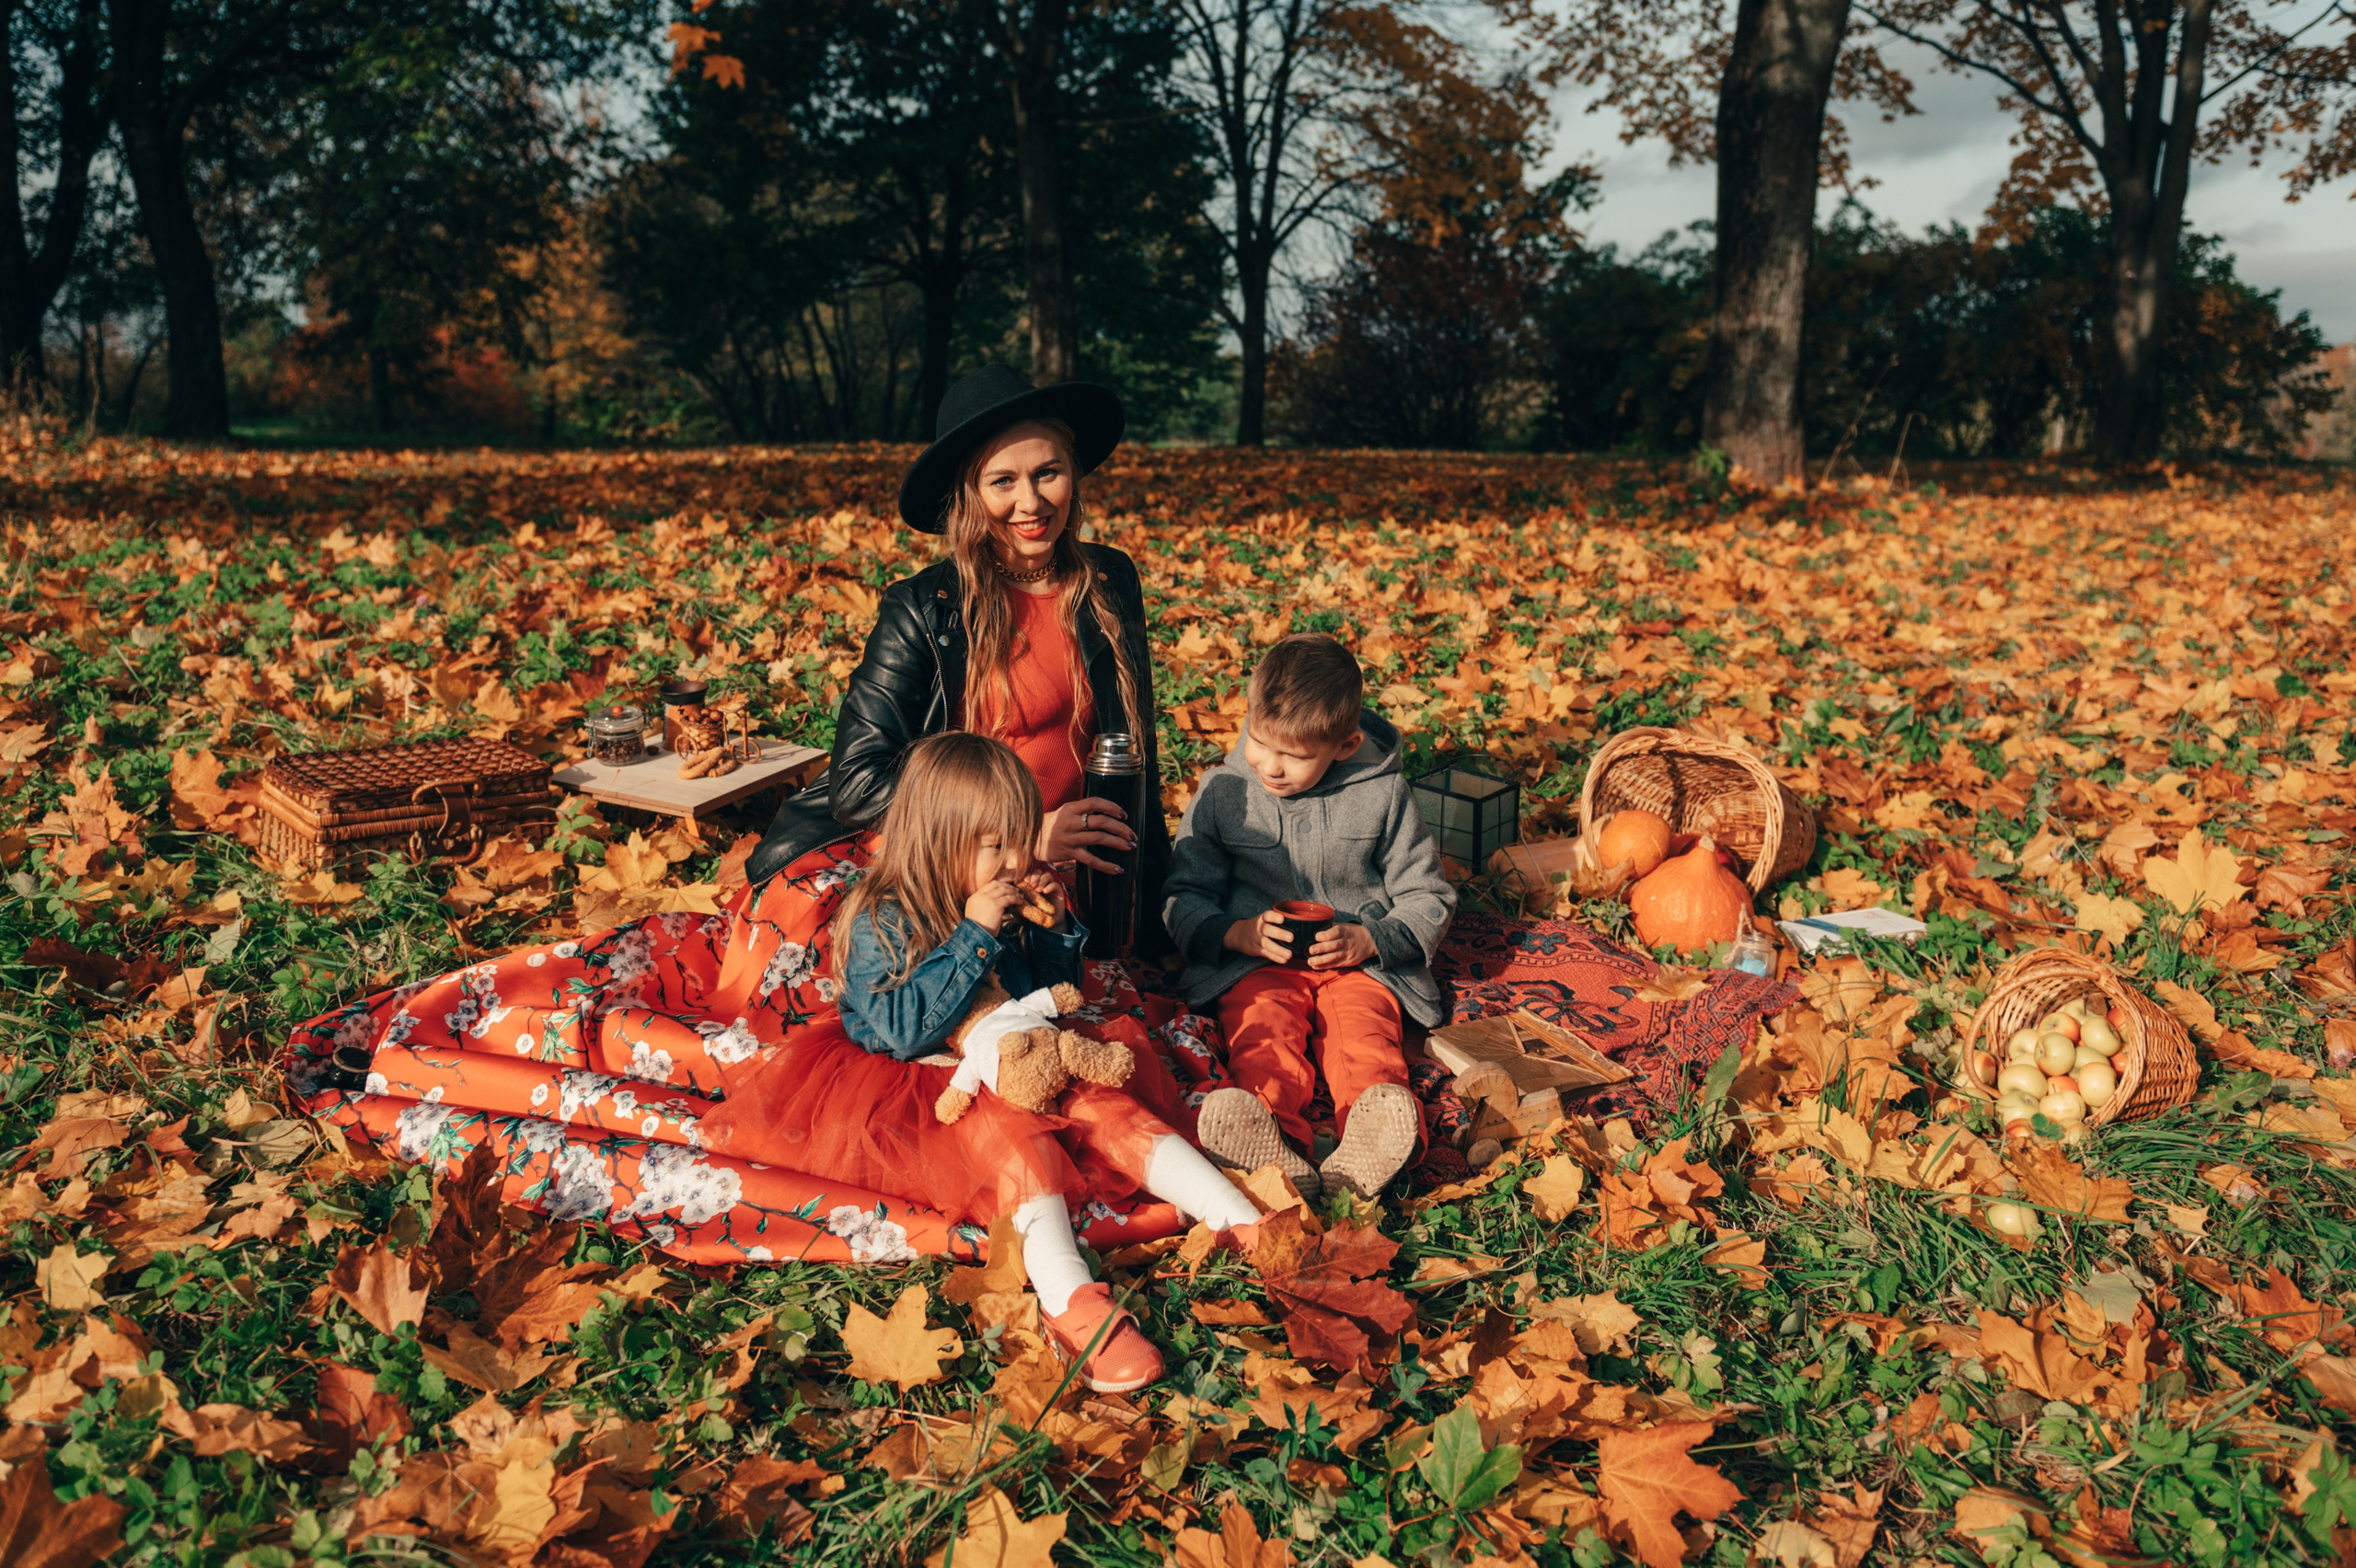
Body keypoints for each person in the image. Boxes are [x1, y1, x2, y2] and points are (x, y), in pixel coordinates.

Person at [829, 732, 1262, 1392]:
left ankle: (1239, 1216)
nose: (1013, 860)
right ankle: (1069, 1298)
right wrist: (973, 936)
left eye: (1019, 840)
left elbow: (1049, 1001)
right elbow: (903, 1031)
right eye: (994, 844)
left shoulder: (997, 899)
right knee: (1017, 1141)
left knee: (1103, 1101)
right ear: (937, 837)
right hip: (938, 1084)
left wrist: (1054, 931)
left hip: (1027, 1054)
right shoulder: (882, 920)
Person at [746, 363, 1173, 956]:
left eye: (1047, 472)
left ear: (1071, 472)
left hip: (1072, 866)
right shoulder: (924, 608)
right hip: (945, 857)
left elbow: (1134, 753)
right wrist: (1023, 836)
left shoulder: (1110, 581)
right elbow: (858, 780)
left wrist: (1156, 906)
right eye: (1002, 481)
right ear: (969, 493)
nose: (1031, 501)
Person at [1162, 635, 1457, 1202]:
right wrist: (1235, 933)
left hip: (1355, 965)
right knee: (1261, 1033)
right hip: (1259, 963)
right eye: (1259, 742)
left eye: (1294, 756)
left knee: (1364, 1040)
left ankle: (1374, 1140)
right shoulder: (1224, 791)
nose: (1270, 767)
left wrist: (1373, 939)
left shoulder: (1383, 794)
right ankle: (1272, 1143)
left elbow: (1427, 893)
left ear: (1344, 745)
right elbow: (1184, 890)